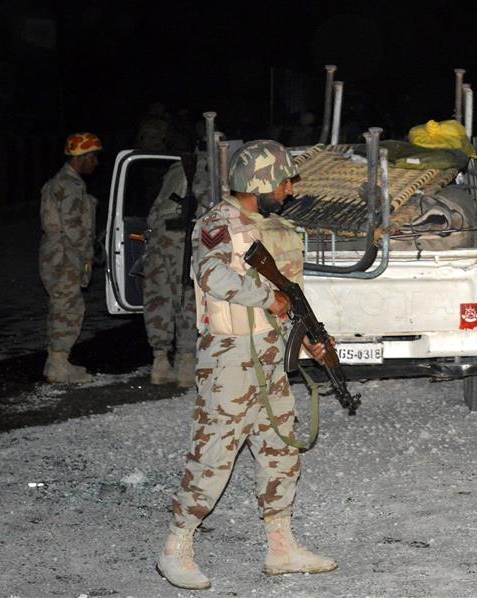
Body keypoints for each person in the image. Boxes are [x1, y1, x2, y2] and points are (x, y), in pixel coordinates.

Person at [157, 140, 336, 590]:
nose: (291, 189)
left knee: (281, 451)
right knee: (214, 454)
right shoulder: (219, 222)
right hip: (230, 360)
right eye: (285, 180)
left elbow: (291, 297)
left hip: (270, 359)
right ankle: (175, 547)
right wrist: (266, 296)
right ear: (260, 182)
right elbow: (212, 275)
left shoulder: (272, 227)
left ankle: (281, 548)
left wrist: (313, 339)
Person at [39, 132, 102, 383]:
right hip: (66, 256)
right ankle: (57, 364)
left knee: (63, 307)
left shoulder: (59, 182)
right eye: (93, 158)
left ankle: (58, 361)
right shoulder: (71, 186)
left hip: (58, 254)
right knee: (68, 310)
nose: (96, 163)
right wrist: (89, 253)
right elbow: (73, 228)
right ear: (81, 158)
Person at [142, 162, 198, 386]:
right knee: (186, 295)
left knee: (158, 297)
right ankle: (186, 363)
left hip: (158, 236)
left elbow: (154, 212)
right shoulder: (205, 167)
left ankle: (160, 362)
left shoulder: (175, 169)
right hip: (180, 237)